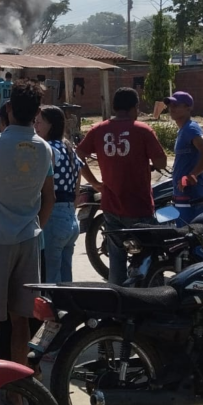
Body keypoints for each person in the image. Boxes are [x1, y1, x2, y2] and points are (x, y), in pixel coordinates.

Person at [0, 80, 54, 367]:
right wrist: (34, 225)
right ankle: (17, 392)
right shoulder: (44, 149)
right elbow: (49, 197)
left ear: (9, 108)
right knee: (21, 322)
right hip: (28, 240)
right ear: (37, 113)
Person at [76, 87, 168, 285]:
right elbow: (161, 163)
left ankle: (117, 298)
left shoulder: (98, 129)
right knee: (149, 255)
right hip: (139, 206)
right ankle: (152, 296)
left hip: (110, 206)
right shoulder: (143, 130)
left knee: (116, 258)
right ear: (134, 107)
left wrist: (94, 182)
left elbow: (78, 156)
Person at [36, 105, 84, 284]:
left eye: (40, 122)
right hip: (70, 216)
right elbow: (79, 174)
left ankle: (52, 311)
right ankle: (67, 310)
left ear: (51, 125)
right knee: (65, 276)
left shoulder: (47, 149)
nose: (36, 126)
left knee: (50, 278)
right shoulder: (68, 146)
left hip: (53, 217)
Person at [164, 91, 203, 221]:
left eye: (176, 105)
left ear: (189, 108)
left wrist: (192, 175)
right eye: (170, 105)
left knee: (192, 234)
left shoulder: (190, 129)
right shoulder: (183, 130)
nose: (172, 108)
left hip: (191, 194)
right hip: (183, 193)